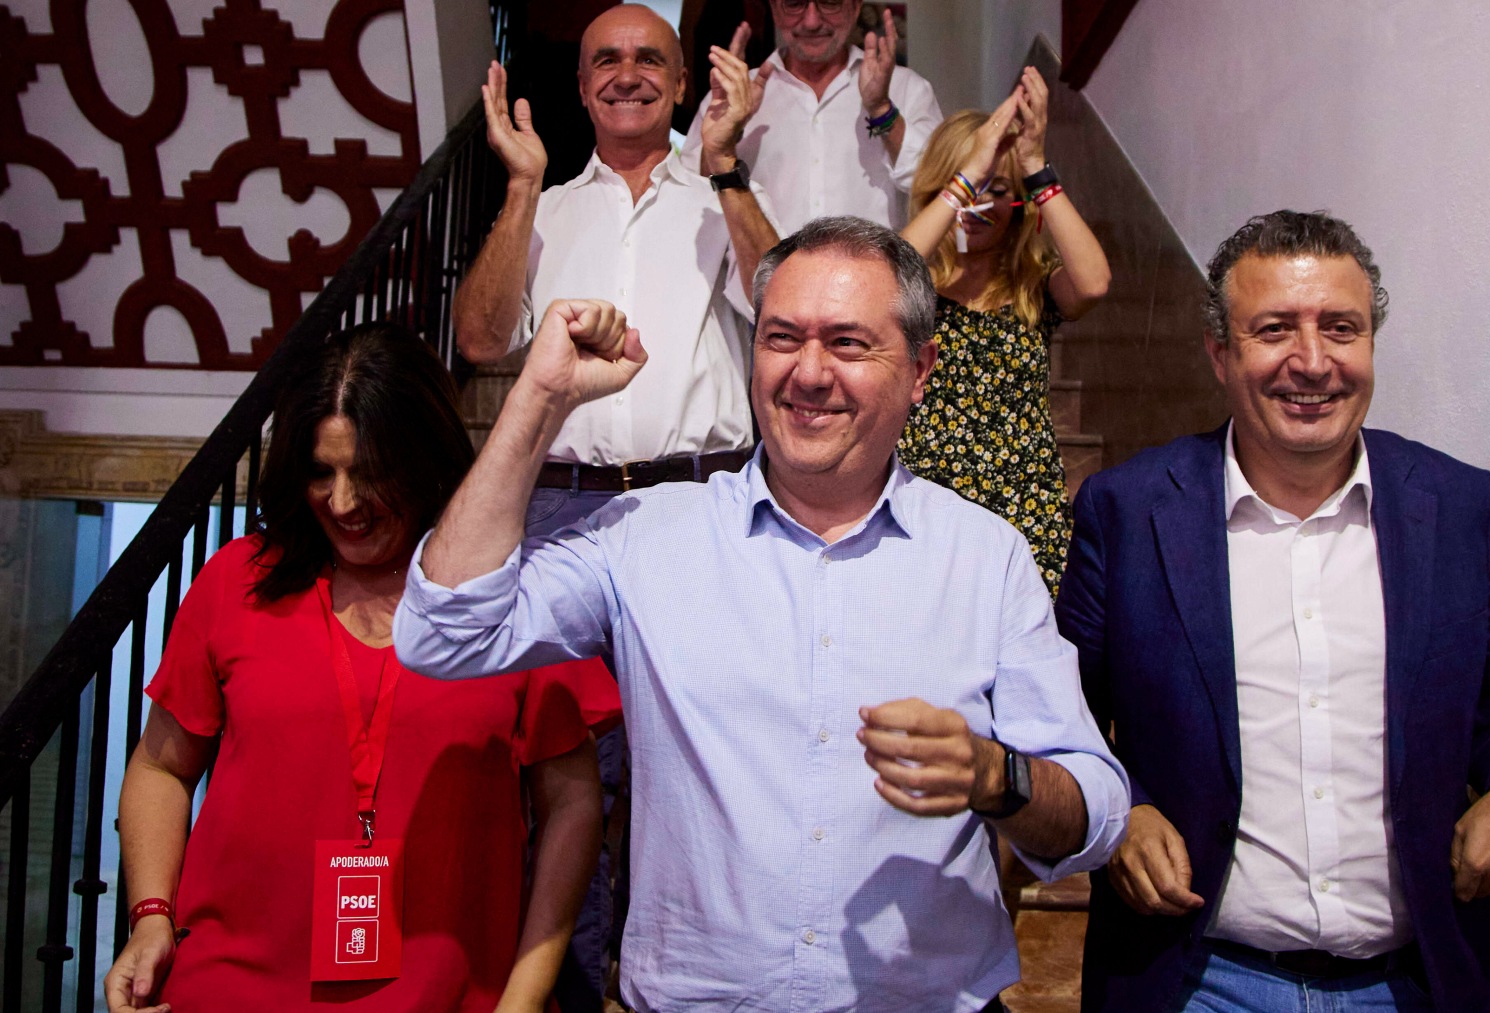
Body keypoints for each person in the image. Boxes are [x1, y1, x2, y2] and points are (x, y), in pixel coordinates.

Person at [394, 216, 1129, 1013]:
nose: (808, 373)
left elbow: (1095, 809)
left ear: (921, 370)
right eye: (782, 337)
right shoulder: (645, 533)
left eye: (848, 343)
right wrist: (541, 400)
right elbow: (443, 631)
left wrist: (997, 774)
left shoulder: (986, 558)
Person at [1057, 211, 1490, 1012]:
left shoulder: (1461, 506)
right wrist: (1123, 812)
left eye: (1342, 327)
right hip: (1202, 981)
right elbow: (1063, 720)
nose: (1312, 361)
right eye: (1274, 330)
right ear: (1220, 353)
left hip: (1419, 980)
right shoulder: (1128, 509)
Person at [101, 323, 612, 1013]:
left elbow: (574, 801)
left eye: (370, 471)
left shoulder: (507, 597)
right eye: (322, 471)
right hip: (227, 990)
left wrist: (524, 994)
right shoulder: (236, 582)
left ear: (424, 458)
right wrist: (151, 914)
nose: (343, 502)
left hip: (452, 995)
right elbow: (161, 766)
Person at [451, 6, 780, 996]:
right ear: (583, 82)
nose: (627, 74)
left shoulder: (724, 192)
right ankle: (569, 985)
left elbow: (785, 303)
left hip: (697, 508)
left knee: (694, 770)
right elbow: (478, 338)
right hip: (562, 516)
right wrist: (517, 185)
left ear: (684, 86)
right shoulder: (547, 211)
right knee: (563, 775)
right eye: (606, 59)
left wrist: (727, 170)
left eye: (650, 59)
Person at [897, 68, 1111, 594]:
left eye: (995, 190)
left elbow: (1095, 283)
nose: (977, 204)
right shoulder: (912, 281)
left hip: (1023, 512)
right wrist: (967, 174)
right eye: (967, 185)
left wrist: (1035, 167)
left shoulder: (1034, 286)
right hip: (924, 508)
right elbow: (882, 274)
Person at [682, 1, 942, 230]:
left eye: (829, 3)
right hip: (761, 283)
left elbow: (936, 189)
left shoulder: (906, 88)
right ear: (774, 8)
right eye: (795, 4)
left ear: (855, 7)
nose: (811, 21)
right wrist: (728, 133)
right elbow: (689, 199)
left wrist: (883, 111)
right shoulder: (733, 94)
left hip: (872, 283)